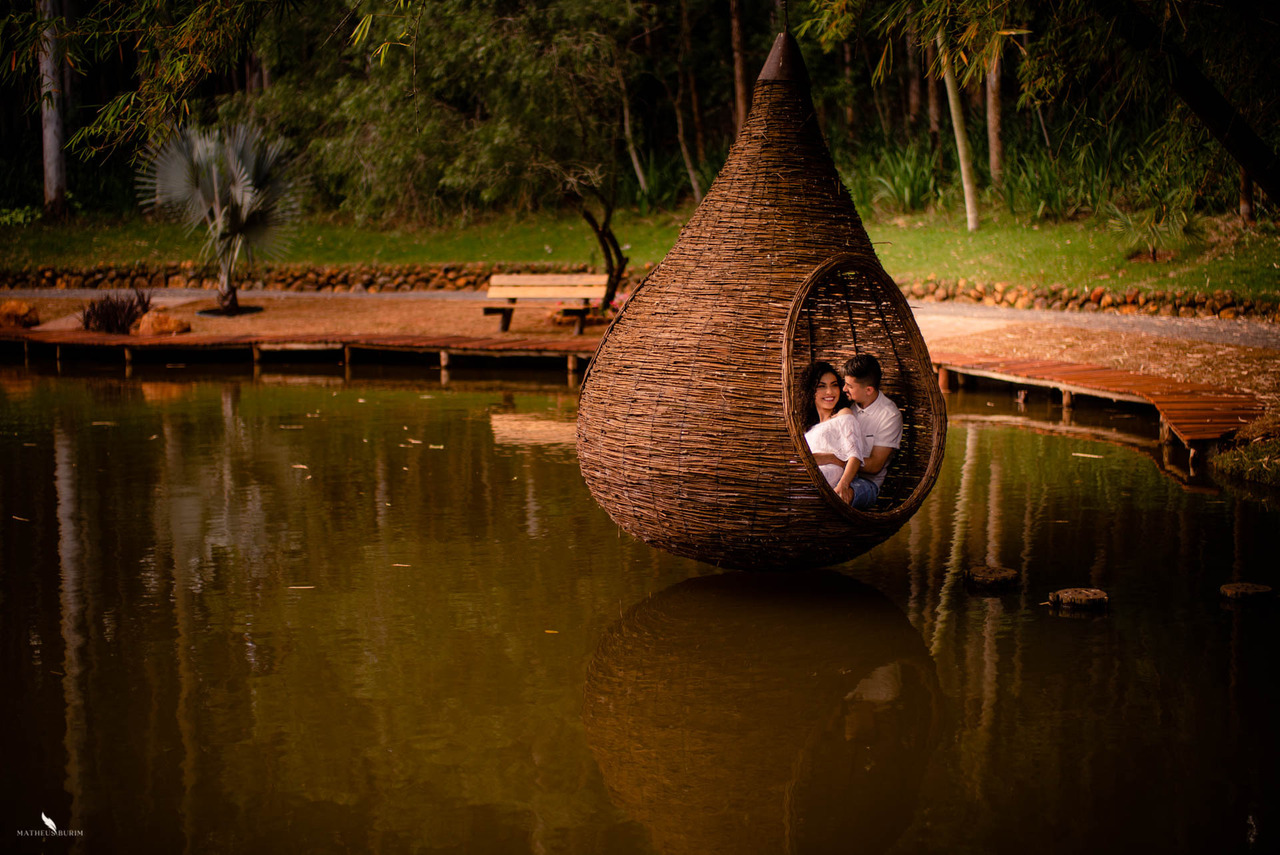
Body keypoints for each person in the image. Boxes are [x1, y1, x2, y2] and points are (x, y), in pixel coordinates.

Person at [799, 361, 867, 505]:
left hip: (828, 478)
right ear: (810, 391)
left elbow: (854, 455)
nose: (830, 392)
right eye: (821, 386)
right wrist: (828, 457)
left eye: (834, 385)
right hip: (807, 474)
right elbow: (801, 459)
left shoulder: (843, 414)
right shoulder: (808, 427)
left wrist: (843, 485)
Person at [840, 353, 903, 508]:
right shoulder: (846, 406)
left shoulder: (889, 416)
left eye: (850, 386)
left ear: (868, 390)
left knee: (838, 497)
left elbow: (875, 466)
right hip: (838, 472)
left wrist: (835, 459)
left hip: (866, 483)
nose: (844, 389)